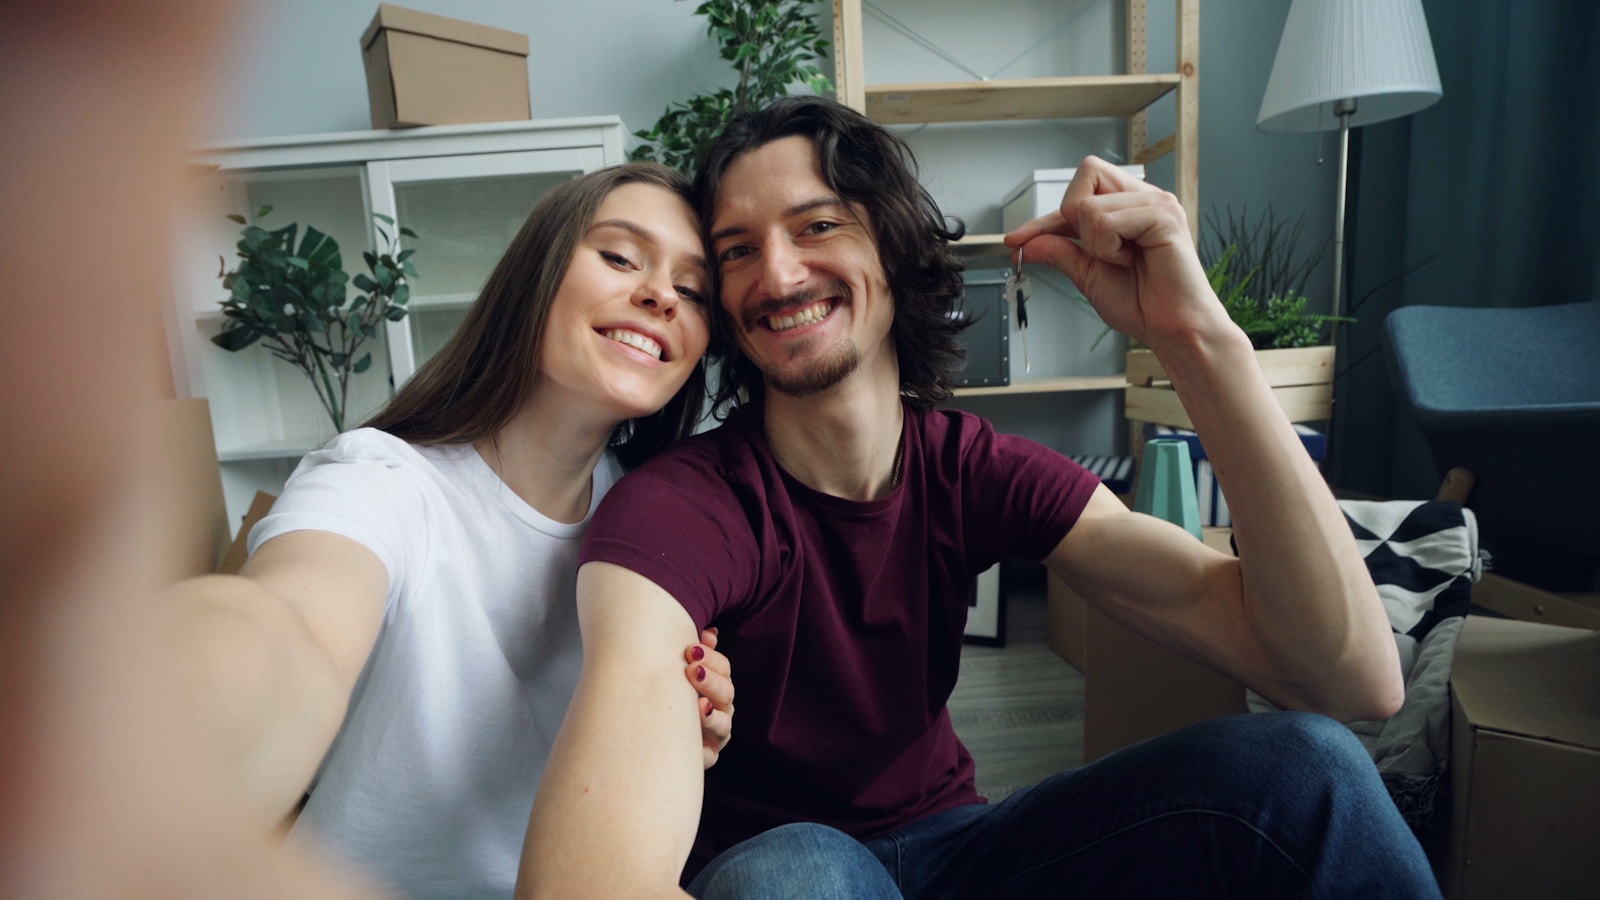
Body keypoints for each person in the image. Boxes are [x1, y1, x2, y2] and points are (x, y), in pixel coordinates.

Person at [518, 95, 1441, 898]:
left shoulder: (971, 467)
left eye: (817, 226)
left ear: (892, 244)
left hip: (968, 850)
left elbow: (1349, 678)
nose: (779, 273)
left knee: (1307, 767)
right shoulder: (684, 507)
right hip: (780, 870)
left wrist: (1196, 335)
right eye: (735, 251)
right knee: (793, 870)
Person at [153, 160, 737, 898]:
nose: (660, 295)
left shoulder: (658, 518)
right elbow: (295, 622)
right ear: (537, 274)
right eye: (620, 257)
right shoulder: (382, 481)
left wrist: (680, 733)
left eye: (693, 292)